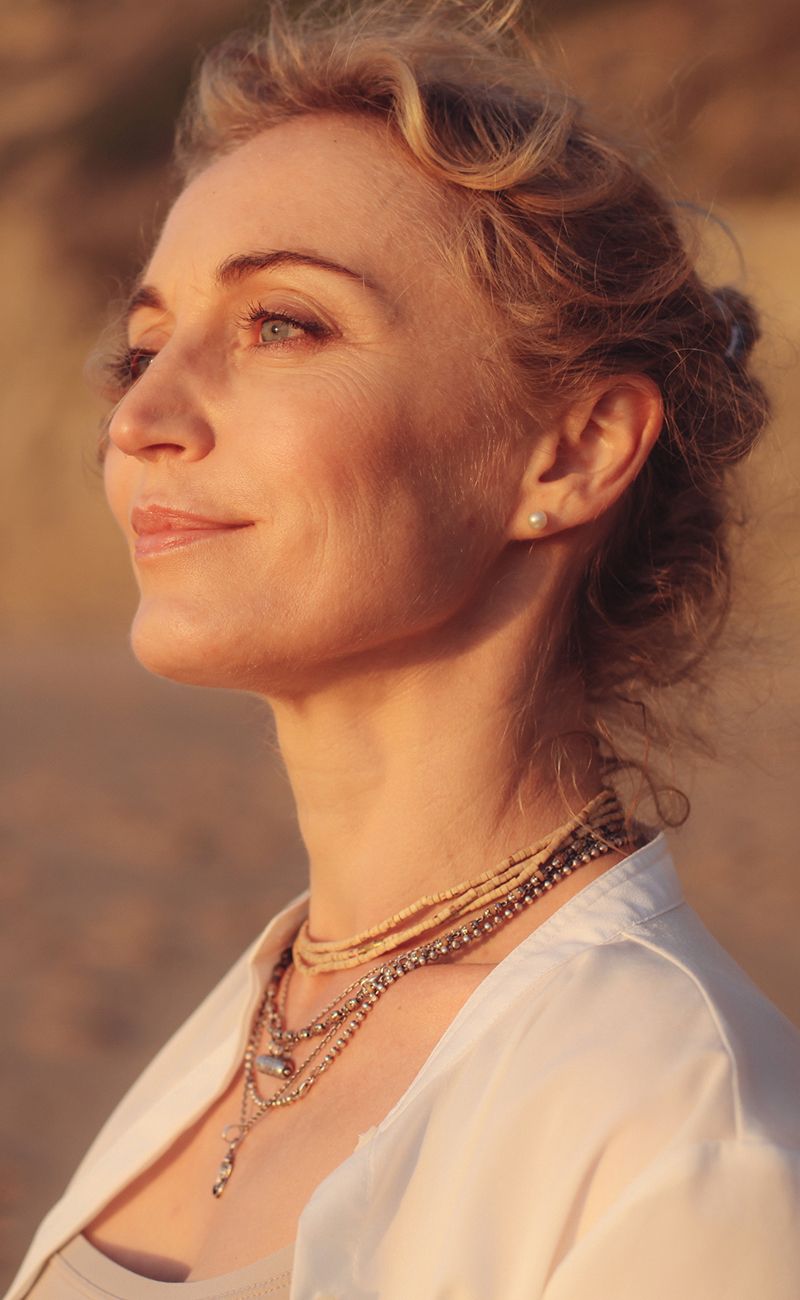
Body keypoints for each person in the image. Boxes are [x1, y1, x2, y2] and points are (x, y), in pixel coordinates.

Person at [8, 1, 800, 1297]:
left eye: (281, 324)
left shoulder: (682, 1135)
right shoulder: (275, 1013)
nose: (142, 414)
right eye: (144, 347)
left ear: (575, 449)